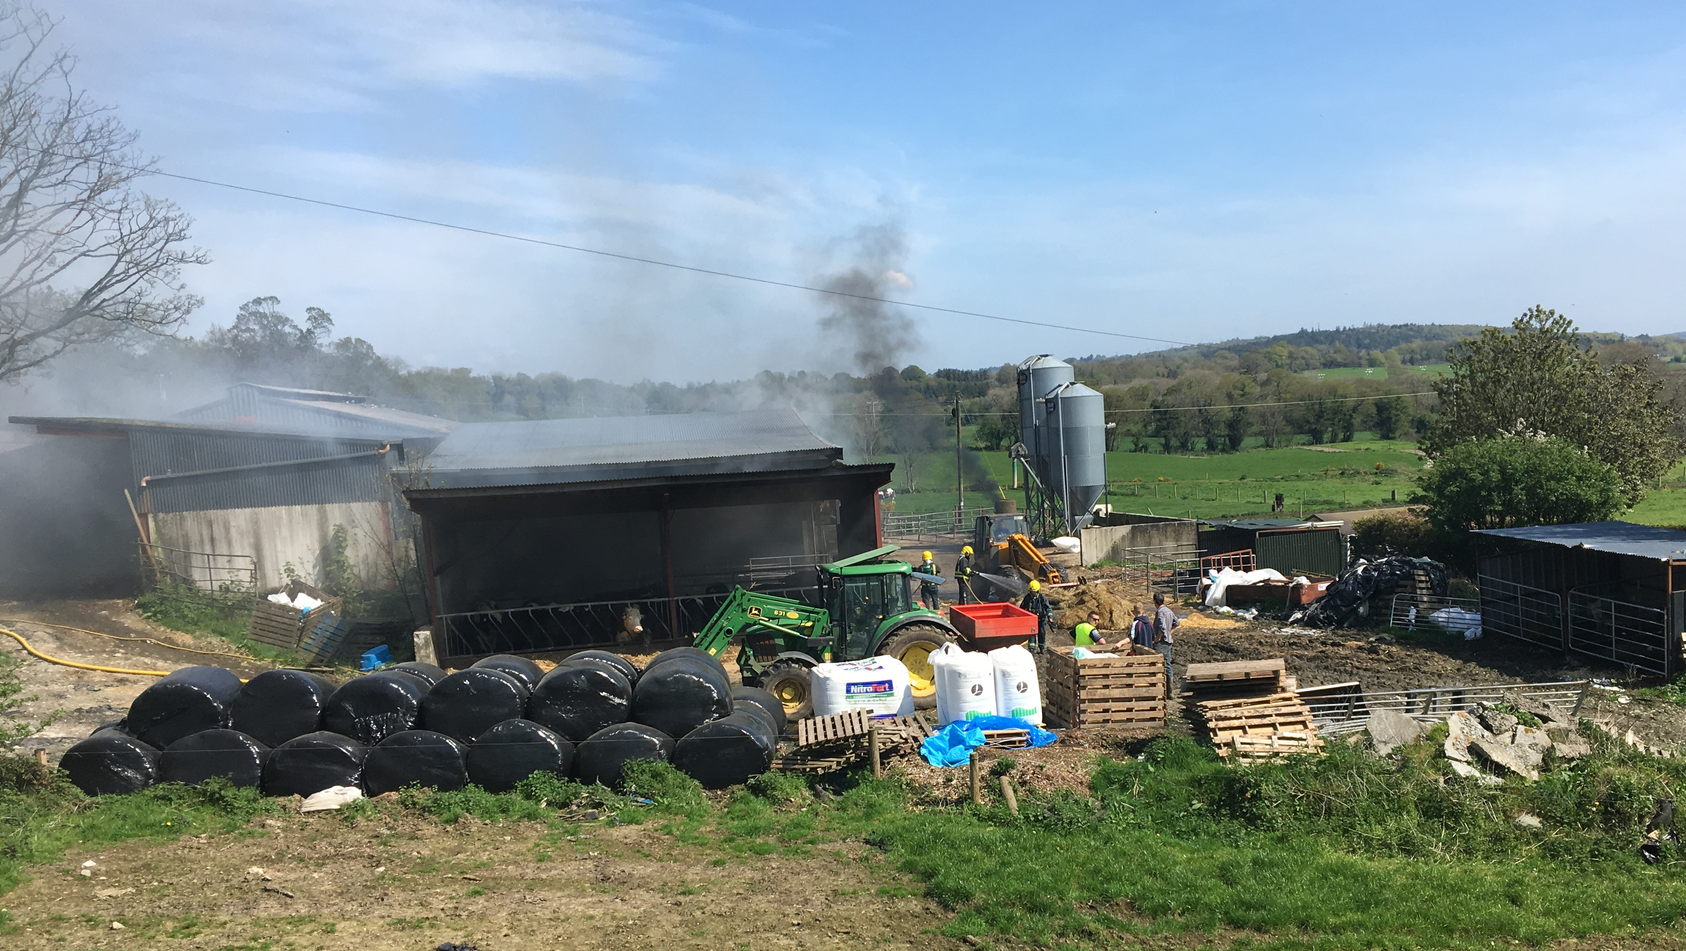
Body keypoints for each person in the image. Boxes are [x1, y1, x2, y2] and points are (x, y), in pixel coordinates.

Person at [1152, 592, 1179, 691]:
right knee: (1167, 664)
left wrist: (1157, 639)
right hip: (1168, 641)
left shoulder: (1160, 612)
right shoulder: (1169, 611)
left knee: (1158, 664)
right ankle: (1169, 690)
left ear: (1155, 602)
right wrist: (1169, 633)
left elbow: (1162, 627)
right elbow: (1176, 623)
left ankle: (1161, 689)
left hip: (1161, 642)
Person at [1020, 579, 1053, 652]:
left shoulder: (1042, 598)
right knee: (1032, 634)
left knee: (1042, 633)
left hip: (1041, 619)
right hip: (1031, 620)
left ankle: (1042, 648)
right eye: (1032, 591)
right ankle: (1032, 649)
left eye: (1034, 591)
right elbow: (1022, 608)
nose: (1033, 593)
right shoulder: (1027, 598)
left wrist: (1050, 617)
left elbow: (1048, 608)